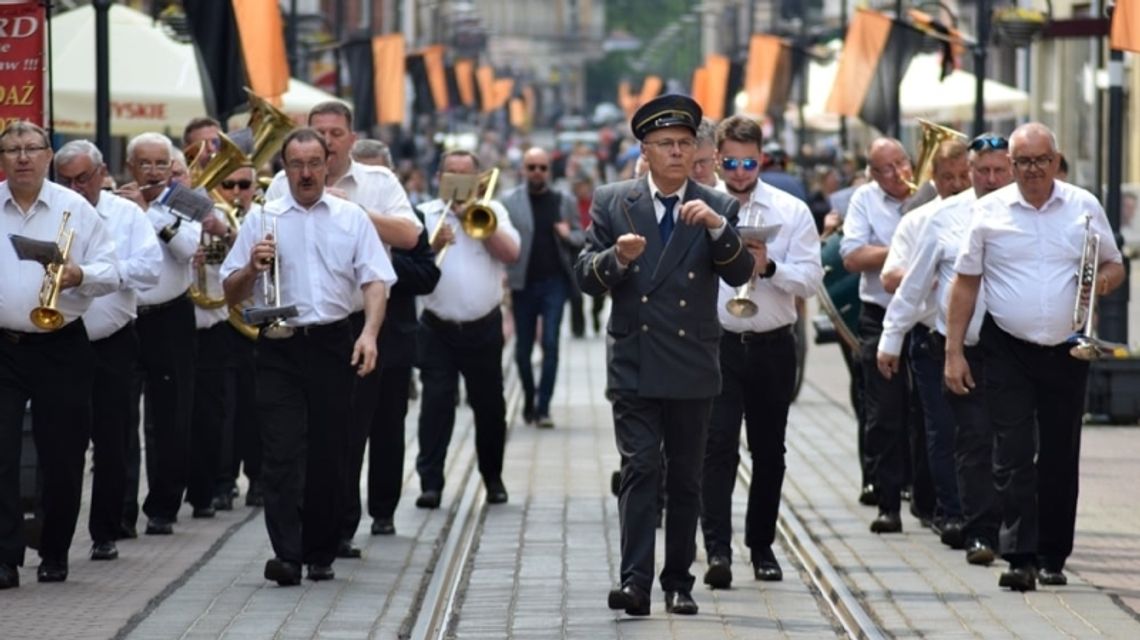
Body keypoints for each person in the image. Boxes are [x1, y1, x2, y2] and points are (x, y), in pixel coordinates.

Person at [577, 95, 755, 617]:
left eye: (684, 144)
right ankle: (634, 582)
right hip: (635, 360)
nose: (676, 153)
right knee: (640, 468)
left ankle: (678, 580)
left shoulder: (717, 205)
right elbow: (585, 277)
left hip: (693, 363)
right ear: (645, 152)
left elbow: (740, 273)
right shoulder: (614, 200)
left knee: (684, 477)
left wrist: (719, 230)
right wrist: (617, 258)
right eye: (665, 145)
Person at [945, 123, 1125, 592]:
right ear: (1011, 165)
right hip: (1008, 346)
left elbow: (1113, 263)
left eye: (1040, 161)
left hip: (1067, 347)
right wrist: (954, 352)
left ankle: (1052, 554)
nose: (1031, 171)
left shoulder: (1083, 206)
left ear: (1055, 160)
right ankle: (1019, 555)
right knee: (1013, 452)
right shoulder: (988, 212)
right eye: (1021, 162)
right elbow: (965, 282)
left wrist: (1099, 282)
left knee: (1060, 455)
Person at [220, 127, 395, 586]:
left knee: (328, 450)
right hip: (278, 345)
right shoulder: (263, 218)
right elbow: (229, 291)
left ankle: (320, 550)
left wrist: (371, 334)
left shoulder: (350, 217)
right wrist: (249, 268)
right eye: (295, 164)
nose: (305, 172)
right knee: (281, 451)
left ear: (327, 165)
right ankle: (287, 554)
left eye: (313, 163)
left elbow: (376, 279)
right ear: (284, 168)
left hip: (333, 341)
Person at [877, 132, 1014, 566]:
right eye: (982, 171)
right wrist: (891, 337)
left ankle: (1017, 530)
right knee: (969, 438)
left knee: (1011, 442)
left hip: (1019, 349)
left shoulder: (1032, 214)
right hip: (963, 345)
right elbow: (914, 282)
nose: (990, 179)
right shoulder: (943, 217)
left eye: (999, 170)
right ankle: (979, 531)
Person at [700, 115, 822, 589]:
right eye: (728, 161)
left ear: (761, 159)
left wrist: (769, 267)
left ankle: (761, 546)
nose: (738, 171)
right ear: (717, 158)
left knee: (770, 452)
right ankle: (717, 548)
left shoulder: (790, 211)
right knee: (718, 448)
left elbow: (811, 281)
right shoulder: (704, 207)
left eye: (748, 162)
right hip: (721, 344)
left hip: (773, 345)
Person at [0, 122, 119, 588]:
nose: (23, 157)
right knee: (1, 455)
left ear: (49, 156)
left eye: (32, 148)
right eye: (12, 149)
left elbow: (112, 270)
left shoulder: (76, 208)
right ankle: (5, 557)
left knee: (63, 456)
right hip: (3, 345)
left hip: (61, 344)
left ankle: (54, 551)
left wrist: (79, 274)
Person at [55, 140, 162, 563]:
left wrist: (94, 276)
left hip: (113, 340)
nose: (76, 187)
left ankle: (106, 530)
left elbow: (150, 270)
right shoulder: (53, 211)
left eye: (83, 178)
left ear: (102, 173)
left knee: (113, 440)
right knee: (60, 440)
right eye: (66, 180)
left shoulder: (127, 214)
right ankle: (52, 532)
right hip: (60, 339)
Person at [414, 150, 521, 509]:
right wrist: (433, 245)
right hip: (437, 328)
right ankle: (430, 482)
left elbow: (511, 253)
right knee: (436, 404)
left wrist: (480, 225)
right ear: (439, 177)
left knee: (490, 406)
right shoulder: (425, 214)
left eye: (465, 173)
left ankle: (493, 477)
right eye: (451, 173)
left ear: (477, 180)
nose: (458, 180)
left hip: (482, 327)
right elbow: (411, 270)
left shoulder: (494, 211)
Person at [879, 139, 972, 542]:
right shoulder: (921, 221)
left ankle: (981, 512)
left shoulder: (985, 214)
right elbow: (895, 278)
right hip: (931, 335)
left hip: (983, 341)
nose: (957, 184)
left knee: (980, 432)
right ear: (933, 179)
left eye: (963, 176)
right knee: (942, 429)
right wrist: (892, 338)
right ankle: (950, 510)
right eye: (948, 177)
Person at [120, 132, 202, 537]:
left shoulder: (187, 201)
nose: (152, 171)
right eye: (144, 163)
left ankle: (163, 506)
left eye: (160, 163)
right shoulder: (115, 202)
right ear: (131, 166)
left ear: (171, 167)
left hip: (171, 317)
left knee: (169, 416)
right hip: (126, 317)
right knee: (119, 417)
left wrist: (149, 211)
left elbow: (188, 249)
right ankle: (120, 510)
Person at [840, 137, 914, 534]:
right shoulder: (865, 200)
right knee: (884, 411)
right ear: (872, 173)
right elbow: (852, 256)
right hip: (880, 313)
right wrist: (908, 247)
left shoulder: (931, 194)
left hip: (926, 316)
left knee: (928, 411)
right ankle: (887, 502)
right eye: (885, 169)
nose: (896, 174)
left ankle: (929, 498)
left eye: (901, 162)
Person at [359, 208, 439, 537]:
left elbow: (426, 276)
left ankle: (383, 510)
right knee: (344, 434)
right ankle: (342, 516)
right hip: (346, 340)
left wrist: (383, 259)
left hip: (395, 343)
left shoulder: (408, 219)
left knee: (389, 430)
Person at [501, 146, 584, 427]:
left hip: (555, 283)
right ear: (523, 170)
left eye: (542, 167)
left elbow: (581, 235)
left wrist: (567, 235)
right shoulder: (509, 201)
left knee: (550, 342)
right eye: (532, 167)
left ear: (549, 171)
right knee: (522, 351)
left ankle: (544, 406)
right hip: (522, 283)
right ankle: (528, 397)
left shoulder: (564, 200)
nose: (537, 172)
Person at [211, 165, 264, 511]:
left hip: (259, 327)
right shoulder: (210, 218)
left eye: (244, 184)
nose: (235, 191)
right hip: (224, 325)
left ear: (255, 187)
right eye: (227, 184)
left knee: (256, 408)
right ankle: (223, 480)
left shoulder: (263, 218)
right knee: (224, 408)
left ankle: (259, 479)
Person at [690, 117, 724, 190]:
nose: (698, 170)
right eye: (691, 162)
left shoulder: (732, 197)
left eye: (703, 161)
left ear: (717, 156)